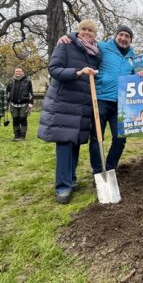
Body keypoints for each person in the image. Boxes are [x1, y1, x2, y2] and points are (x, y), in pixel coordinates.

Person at [58, 25, 136, 176]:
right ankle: (99, 172)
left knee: (120, 138)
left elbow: (132, 75)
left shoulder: (132, 56)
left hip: (120, 103)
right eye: (121, 34)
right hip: (100, 99)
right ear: (116, 36)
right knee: (96, 137)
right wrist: (69, 37)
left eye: (127, 36)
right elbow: (83, 43)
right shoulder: (102, 47)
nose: (123, 38)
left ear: (130, 40)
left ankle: (110, 167)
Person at [38, 20, 100, 204]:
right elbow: (54, 70)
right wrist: (78, 72)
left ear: (95, 35)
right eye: (84, 29)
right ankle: (63, 187)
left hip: (82, 106)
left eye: (91, 30)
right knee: (65, 144)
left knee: (74, 143)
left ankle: (71, 180)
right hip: (64, 103)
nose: (87, 32)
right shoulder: (65, 45)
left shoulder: (96, 54)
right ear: (78, 31)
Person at [6, 67, 33, 141]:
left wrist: (30, 103)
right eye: (16, 71)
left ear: (22, 72)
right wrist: (7, 102)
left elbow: (31, 93)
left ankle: (22, 136)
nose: (18, 72)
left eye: (19, 71)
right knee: (15, 119)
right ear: (14, 72)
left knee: (23, 119)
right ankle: (16, 136)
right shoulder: (11, 81)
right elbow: (8, 92)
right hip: (13, 104)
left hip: (24, 104)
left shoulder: (27, 81)